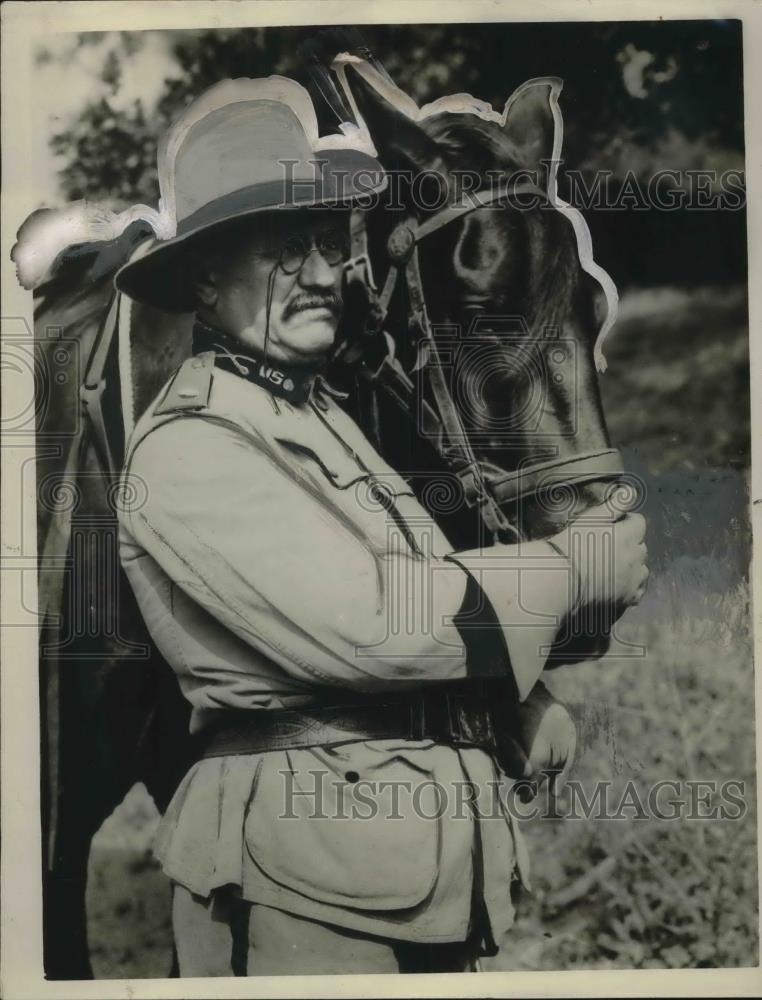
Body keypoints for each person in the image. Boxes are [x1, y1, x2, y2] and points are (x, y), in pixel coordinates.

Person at [115, 77, 648, 976]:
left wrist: (509, 702)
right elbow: (370, 626)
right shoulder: (189, 446)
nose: (323, 275)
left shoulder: (315, 418)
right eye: (286, 252)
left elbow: (426, 585)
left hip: (398, 877)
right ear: (205, 279)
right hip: (300, 886)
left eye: (328, 245)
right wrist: (571, 569)